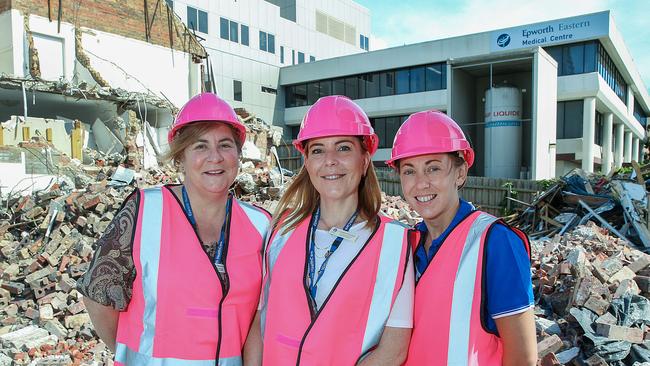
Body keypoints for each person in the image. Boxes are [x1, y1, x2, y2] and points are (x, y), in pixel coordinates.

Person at [78, 93, 271, 365]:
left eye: (225, 145)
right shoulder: (144, 211)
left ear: (239, 155)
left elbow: (257, 319)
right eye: (200, 146)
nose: (214, 157)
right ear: (180, 156)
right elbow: (97, 298)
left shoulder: (261, 224)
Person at [250, 96, 414, 365]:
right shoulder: (281, 230)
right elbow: (259, 322)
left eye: (343, 148)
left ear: (364, 160)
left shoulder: (396, 242)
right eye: (317, 150)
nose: (330, 161)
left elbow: (393, 350)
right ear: (307, 162)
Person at [386, 110, 537, 366]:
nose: (421, 183)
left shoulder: (496, 242)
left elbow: (522, 357)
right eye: (409, 171)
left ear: (460, 172)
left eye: (433, 168)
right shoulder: (406, 245)